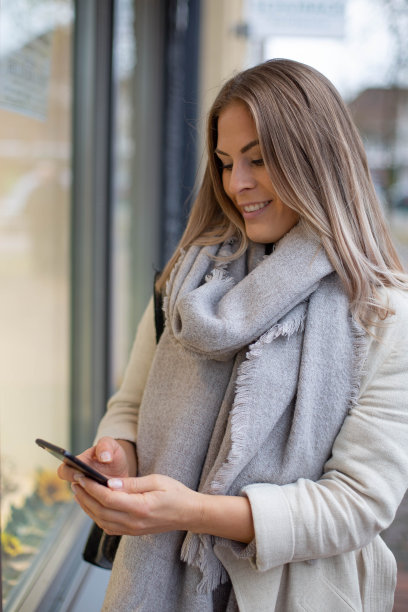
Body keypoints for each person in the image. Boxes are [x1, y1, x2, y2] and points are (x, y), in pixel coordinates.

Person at [58, 59, 408, 611]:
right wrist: (116, 457)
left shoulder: (382, 316)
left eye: (259, 160)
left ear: (315, 161)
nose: (237, 184)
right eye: (224, 162)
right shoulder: (189, 283)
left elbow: (359, 505)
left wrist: (190, 511)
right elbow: (130, 404)